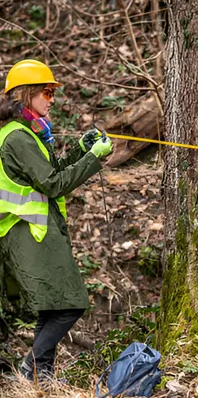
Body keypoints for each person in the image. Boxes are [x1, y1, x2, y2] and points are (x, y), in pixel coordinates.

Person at [0, 60, 113, 382]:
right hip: (28, 232)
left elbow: (48, 175)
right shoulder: (18, 138)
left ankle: (41, 376)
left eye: (52, 92)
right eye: (47, 92)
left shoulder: (25, 132)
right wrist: (93, 158)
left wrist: (80, 151)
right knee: (70, 305)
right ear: (26, 94)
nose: (52, 99)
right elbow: (53, 185)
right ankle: (31, 367)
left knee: (52, 307)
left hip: (32, 231)